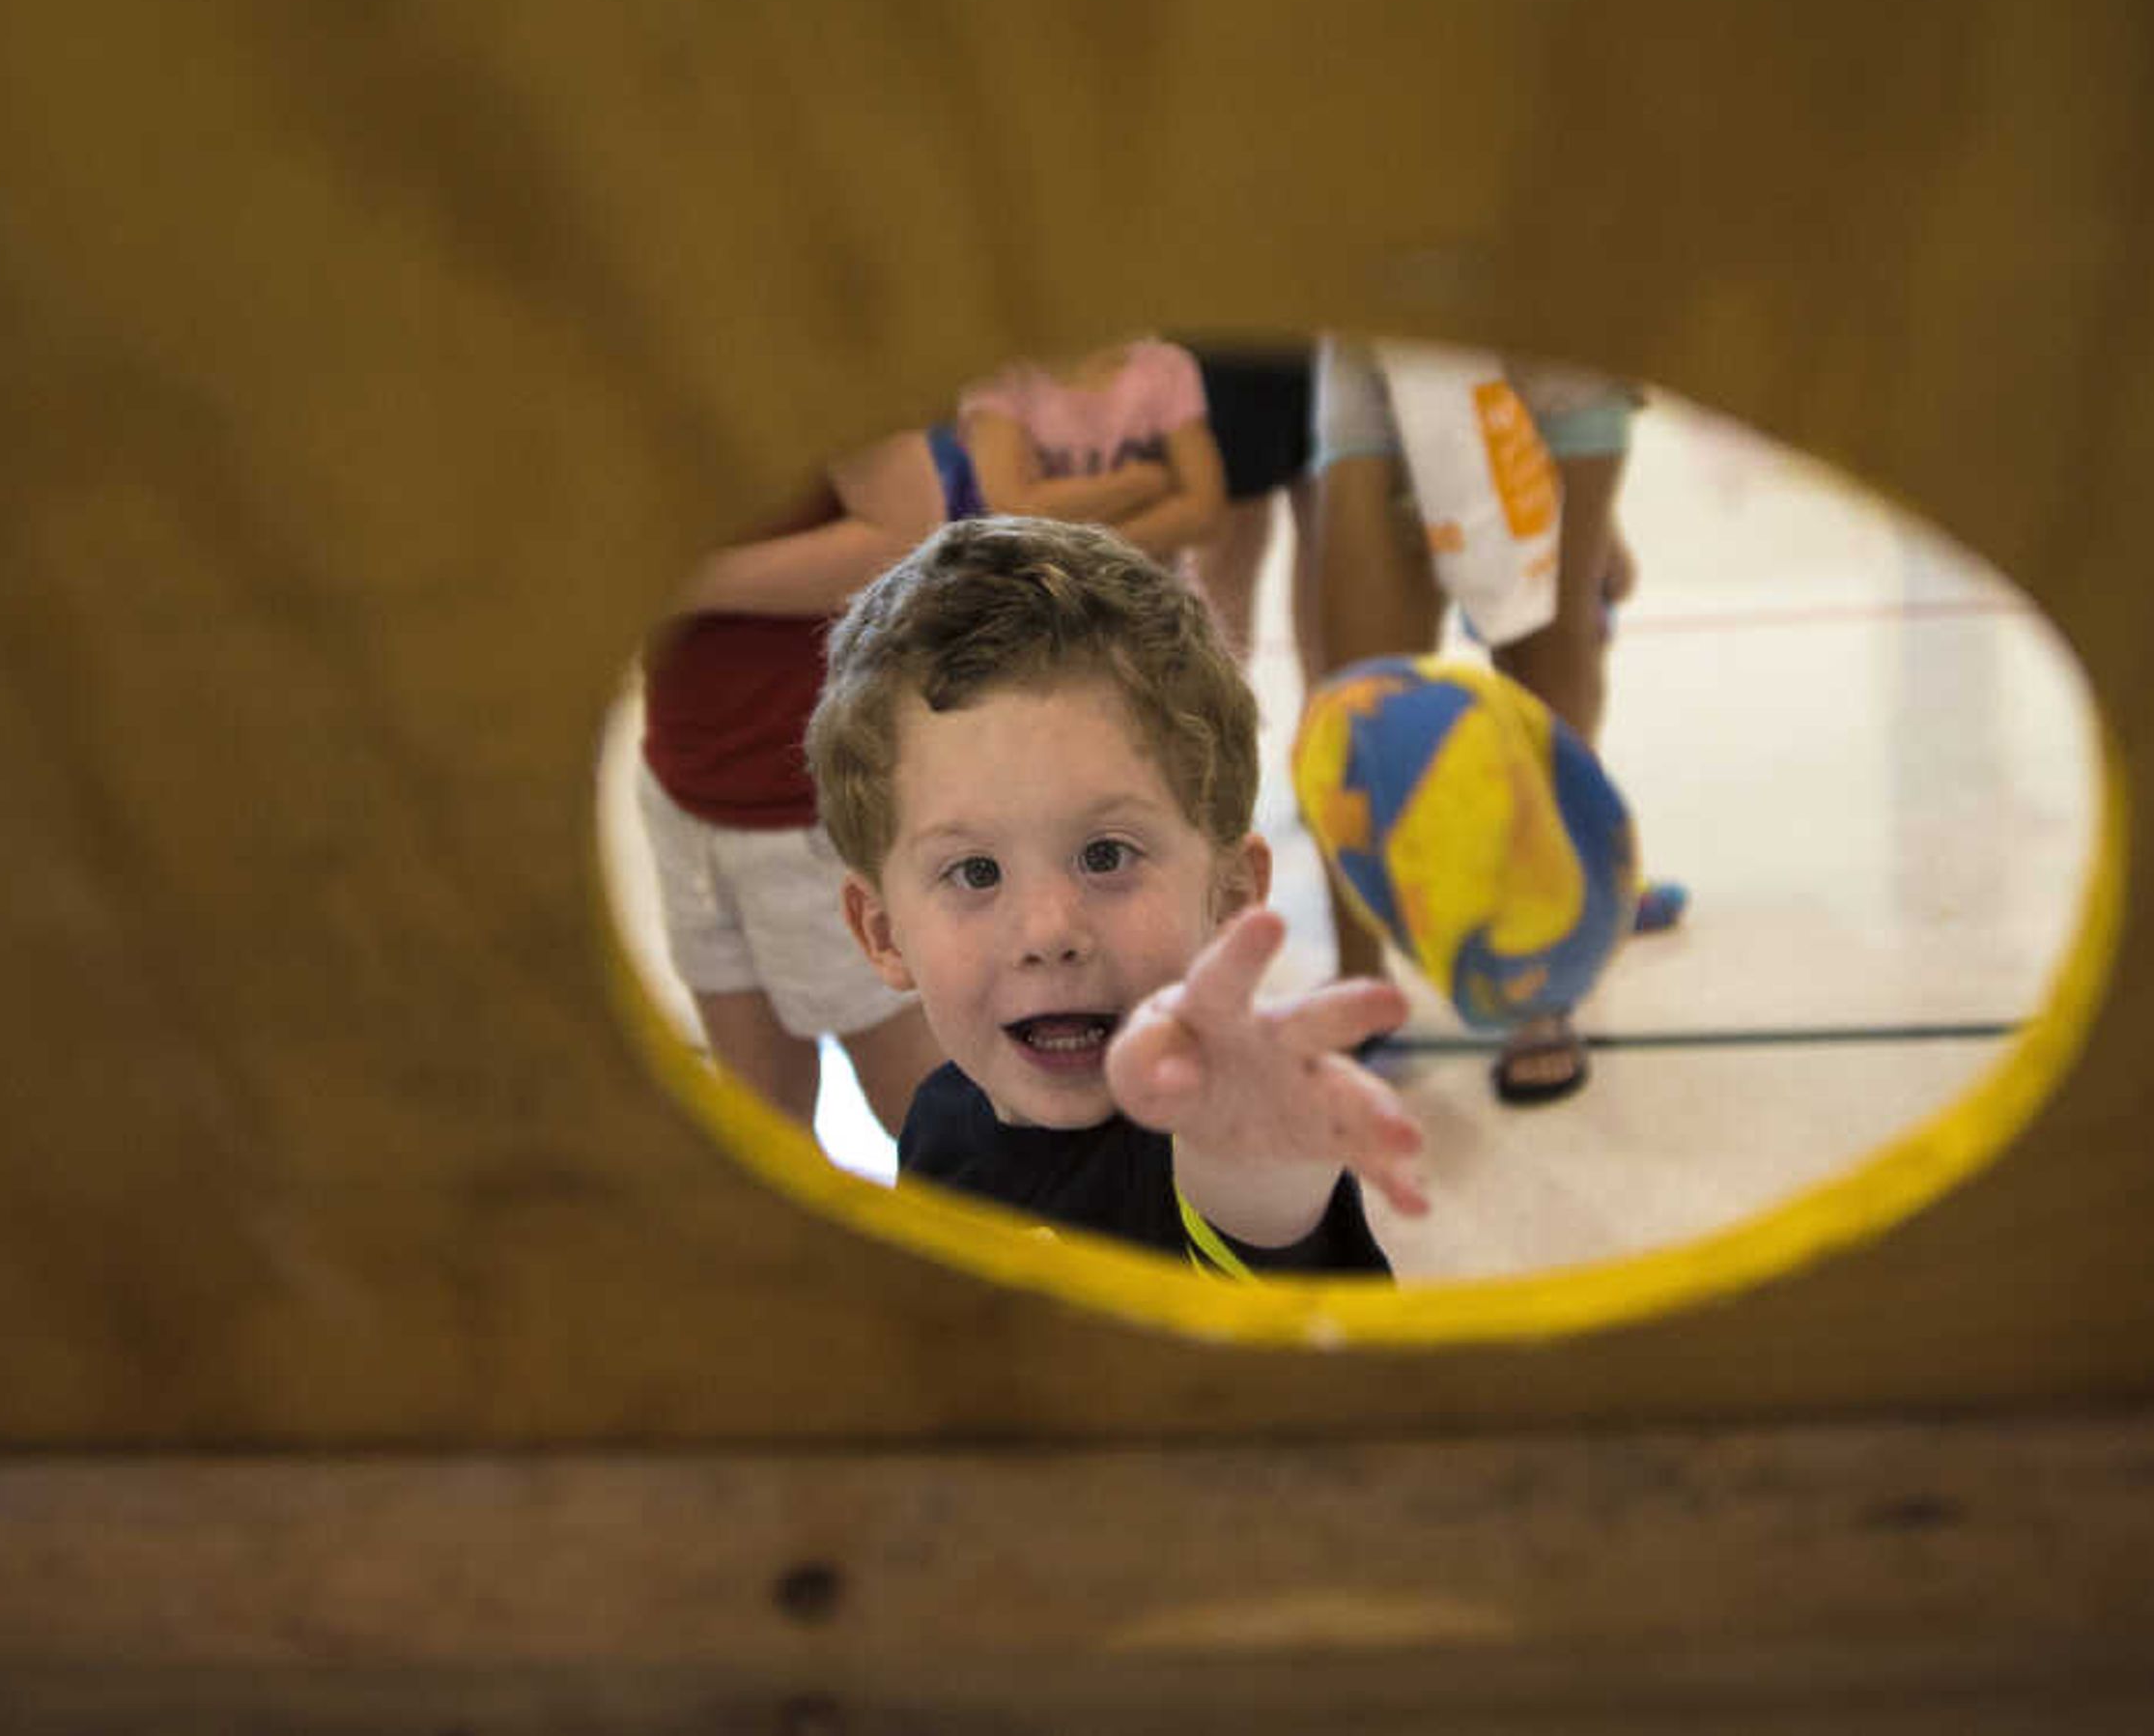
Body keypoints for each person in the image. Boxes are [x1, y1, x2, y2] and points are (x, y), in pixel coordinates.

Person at [805, 516, 1426, 1276]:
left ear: (1230, 899)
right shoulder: (939, 1124)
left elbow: (1254, 1204)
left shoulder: (1205, 1135)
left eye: (1105, 855)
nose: (1048, 930)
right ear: (883, 932)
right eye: (974, 871)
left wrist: (1270, 1161)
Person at [1307, 338, 1644, 1103]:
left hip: (1546, 321)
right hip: (1379, 334)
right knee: (1356, 696)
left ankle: (1542, 993)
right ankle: (1356, 974)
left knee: (1546, 680)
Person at [638, 433, 950, 1137]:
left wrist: (678, 577)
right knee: (760, 1126)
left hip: (820, 805)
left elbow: (906, 537)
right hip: (686, 777)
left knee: (934, 1131)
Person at [954, 341, 1229, 566]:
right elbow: (1013, 511)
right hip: (1038, 596)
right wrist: (1140, 484)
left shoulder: (1165, 365)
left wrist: (1068, 523)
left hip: (1151, 595)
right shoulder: (999, 377)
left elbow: (1202, 513)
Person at [1176, 340, 1322, 666]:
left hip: (1333, 329)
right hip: (1228, 331)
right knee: (1231, 524)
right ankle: (1217, 704)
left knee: (1330, 525)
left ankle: (1329, 707)